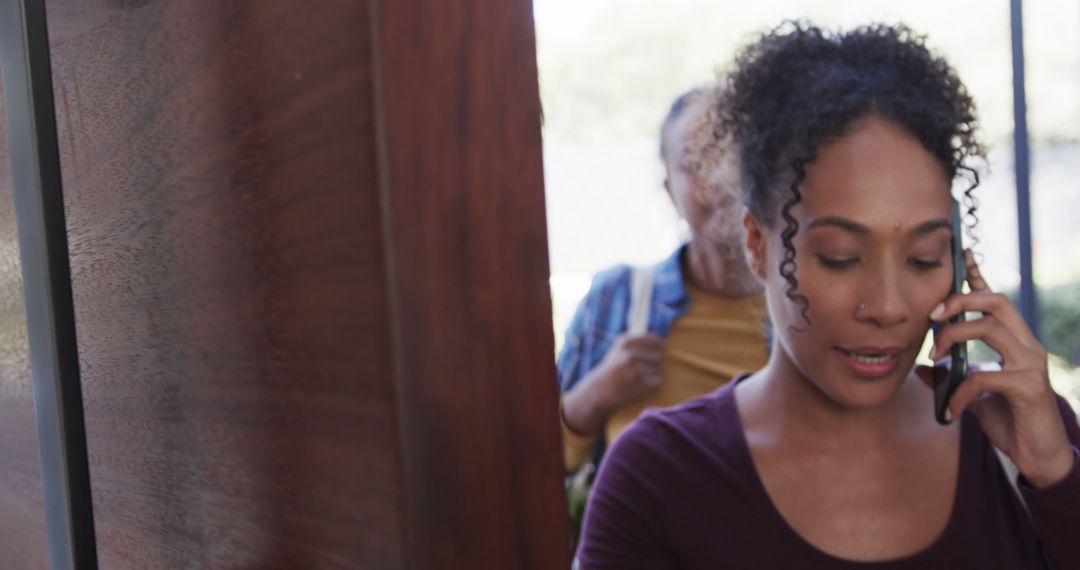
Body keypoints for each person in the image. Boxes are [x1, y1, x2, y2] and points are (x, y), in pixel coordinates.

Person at [576, 22, 1080, 569]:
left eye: (924, 259)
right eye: (840, 256)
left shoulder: (1026, 441)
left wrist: (1056, 477)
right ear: (755, 243)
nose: (888, 307)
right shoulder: (658, 477)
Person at [557, 85, 770, 475]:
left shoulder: (802, 308)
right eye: (696, 161)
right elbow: (537, 464)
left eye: (735, 155)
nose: (721, 180)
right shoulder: (618, 298)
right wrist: (596, 395)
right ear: (670, 190)